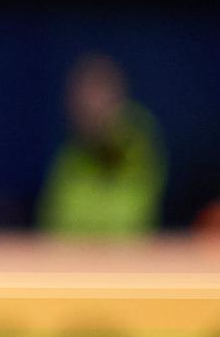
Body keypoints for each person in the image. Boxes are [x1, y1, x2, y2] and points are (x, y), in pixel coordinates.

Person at [38, 53, 165, 239]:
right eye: (80, 100)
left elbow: (129, 219)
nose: (88, 107)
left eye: (96, 96)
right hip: (73, 262)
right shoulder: (72, 152)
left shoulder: (137, 139)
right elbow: (56, 221)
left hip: (128, 261)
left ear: (116, 98)